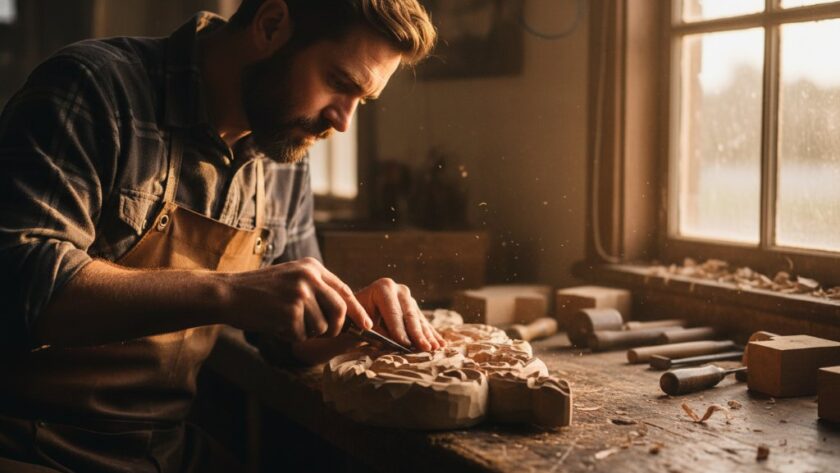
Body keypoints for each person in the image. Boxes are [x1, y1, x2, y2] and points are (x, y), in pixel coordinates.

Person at [0, 0, 441, 471]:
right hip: (29, 441)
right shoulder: (95, 88)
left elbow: (286, 340)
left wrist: (354, 319)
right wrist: (227, 292)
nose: (343, 121)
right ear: (272, 25)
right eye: (339, 82)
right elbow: (22, 286)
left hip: (160, 448)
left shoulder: (284, 147)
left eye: (362, 101)